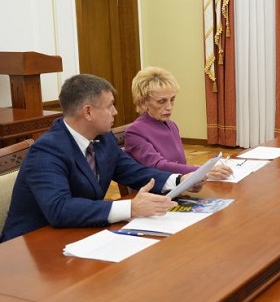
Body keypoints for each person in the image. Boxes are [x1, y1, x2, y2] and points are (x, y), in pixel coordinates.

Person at [0, 74, 196, 242]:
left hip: (79, 233)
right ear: (88, 112)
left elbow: (132, 171)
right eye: (109, 106)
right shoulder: (47, 150)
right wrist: (130, 207)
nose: (115, 112)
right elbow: (59, 208)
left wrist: (179, 180)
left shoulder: (103, 138)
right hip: (30, 246)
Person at [125, 67, 232, 180]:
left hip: (180, 183)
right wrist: (203, 170)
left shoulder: (172, 125)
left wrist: (202, 170)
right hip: (155, 188)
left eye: (172, 99)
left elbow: (179, 164)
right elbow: (158, 166)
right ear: (143, 103)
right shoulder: (135, 132)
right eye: (161, 101)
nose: (169, 107)